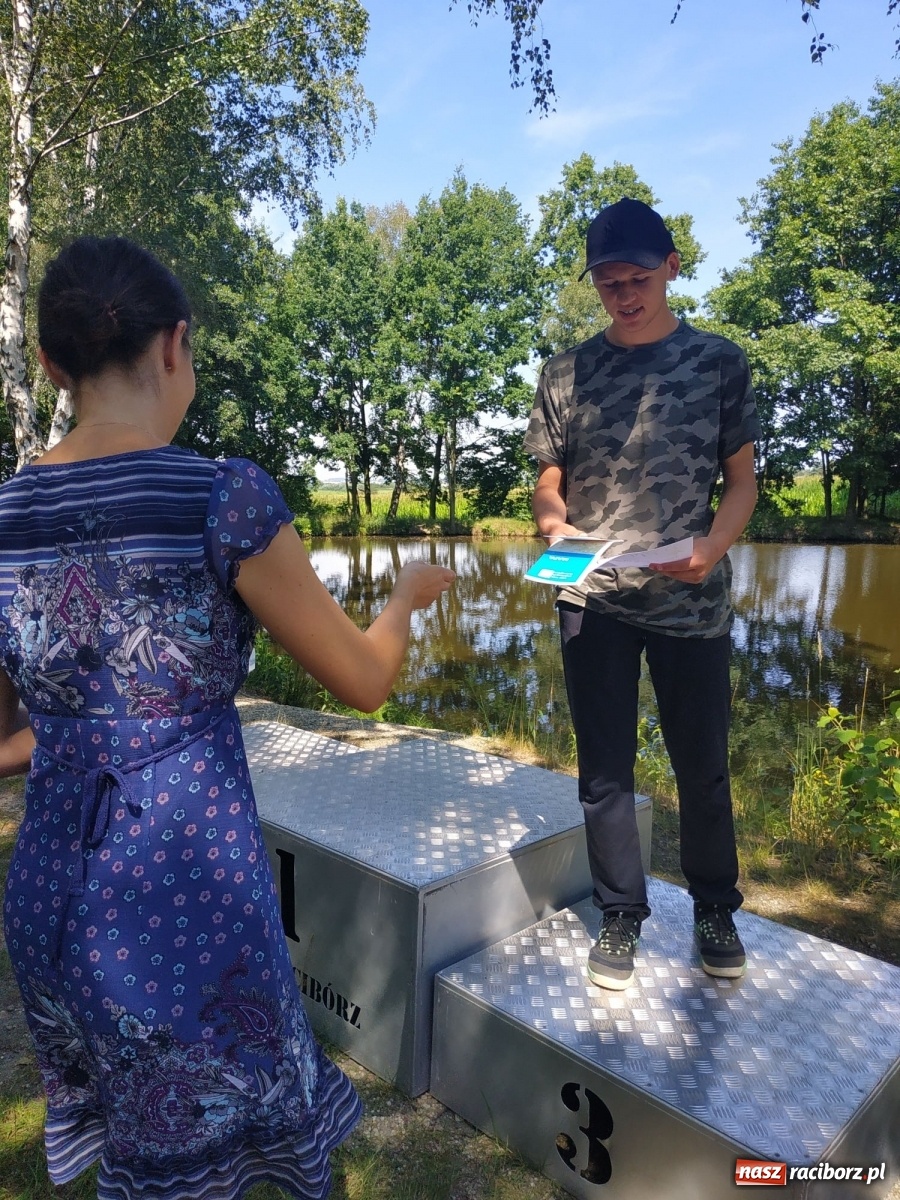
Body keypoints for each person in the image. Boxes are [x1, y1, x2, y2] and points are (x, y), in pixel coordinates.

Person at [0, 235, 455, 1199]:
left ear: (51, 363)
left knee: (142, 1138)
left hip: (52, 894)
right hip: (182, 887)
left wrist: (92, 735)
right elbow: (365, 680)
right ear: (175, 344)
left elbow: (9, 738)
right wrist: (406, 597)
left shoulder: (4, 518)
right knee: (213, 1133)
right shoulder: (219, 497)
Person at [524, 197, 760, 992]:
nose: (623, 295)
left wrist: (713, 548)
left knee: (704, 768)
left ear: (672, 268)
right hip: (592, 599)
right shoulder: (565, 373)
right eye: (608, 282)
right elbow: (547, 480)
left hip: (692, 601)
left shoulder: (719, 361)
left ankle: (715, 907)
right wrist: (552, 522)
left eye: (638, 279)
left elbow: (742, 482)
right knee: (605, 773)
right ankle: (621, 911)